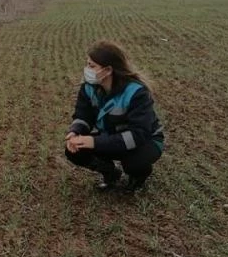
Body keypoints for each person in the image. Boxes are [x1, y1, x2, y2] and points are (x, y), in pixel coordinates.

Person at [65, 40, 164, 192]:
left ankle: (138, 177)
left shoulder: (136, 92)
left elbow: (138, 134)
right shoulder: (88, 88)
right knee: (74, 150)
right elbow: (83, 115)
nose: (86, 69)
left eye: (91, 66)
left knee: (134, 162)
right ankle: (110, 173)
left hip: (145, 140)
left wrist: (95, 141)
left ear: (108, 70)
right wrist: (76, 131)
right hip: (112, 136)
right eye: (87, 64)